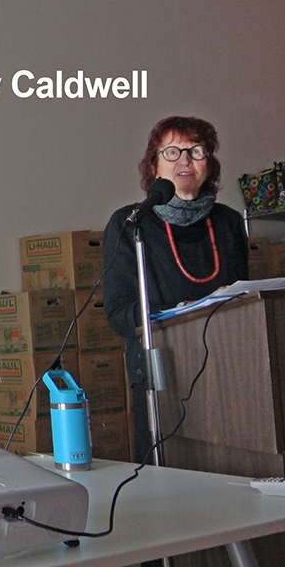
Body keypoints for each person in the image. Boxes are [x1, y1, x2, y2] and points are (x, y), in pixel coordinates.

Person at [102, 116, 249, 463]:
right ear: (154, 166)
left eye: (195, 151)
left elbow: (246, 297)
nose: (185, 160)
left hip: (234, 366)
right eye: (172, 152)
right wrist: (176, 313)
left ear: (208, 164)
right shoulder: (131, 223)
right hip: (162, 373)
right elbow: (119, 312)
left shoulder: (228, 222)